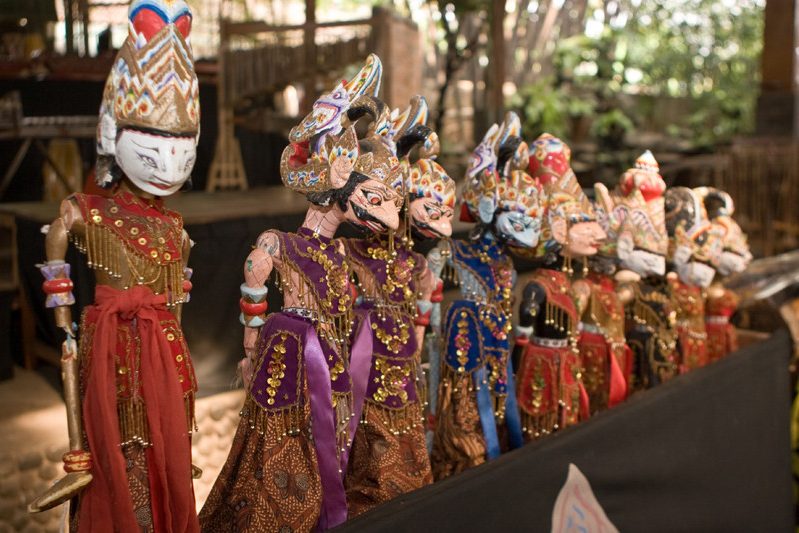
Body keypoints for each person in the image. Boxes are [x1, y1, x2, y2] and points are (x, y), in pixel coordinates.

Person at [198, 55, 406, 532]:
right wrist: (251, 346)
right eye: (375, 200)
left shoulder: (344, 253)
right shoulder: (280, 244)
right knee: (282, 448)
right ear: (338, 181)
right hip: (290, 359)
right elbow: (254, 276)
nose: (388, 217)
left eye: (392, 203)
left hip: (329, 359)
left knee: (328, 441)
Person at [29, 1, 201, 531]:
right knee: (114, 448)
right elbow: (55, 255)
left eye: (182, 149)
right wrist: (64, 333)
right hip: (108, 349)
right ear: (113, 133)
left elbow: (177, 300)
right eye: (155, 146)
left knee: (157, 442)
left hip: (163, 349)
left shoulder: (174, 226)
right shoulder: (86, 211)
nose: (170, 163)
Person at [428, 113, 542, 478]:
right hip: (462, 372)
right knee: (469, 448)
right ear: (489, 207)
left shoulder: (506, 264)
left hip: (499, 364)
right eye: (520, 220)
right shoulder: (450, 254)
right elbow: (429, 322)